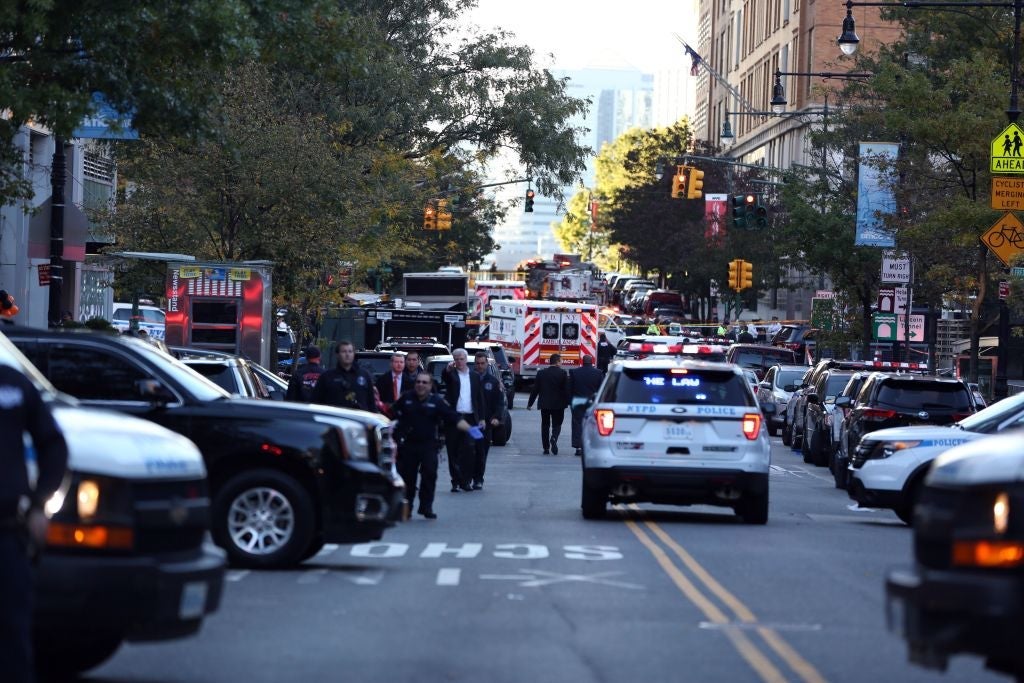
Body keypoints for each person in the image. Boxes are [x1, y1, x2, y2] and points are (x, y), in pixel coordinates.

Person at [1, 364, 68, 682]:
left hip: (6, 535)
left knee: (12, 639)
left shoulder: (11, 385)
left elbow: (53, 444)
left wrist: (40, 505)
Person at [391, 371, 481, 519]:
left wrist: (470, 429)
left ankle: (426, 507)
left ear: (430, 385)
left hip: (429, 446)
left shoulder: (437, 402)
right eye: (418, 382)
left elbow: (454, 418)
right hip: (408, 445)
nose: (420, 385)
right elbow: (391, 413)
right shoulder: (406, 398)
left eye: (424, 382)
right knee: (408, 479)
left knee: (429, 476)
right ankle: (406, 508)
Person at [442, 349, 486, 492]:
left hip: (470, 417)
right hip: (455, 417)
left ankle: (466, 481)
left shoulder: (474, 376)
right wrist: (447, 370)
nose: (459, 361)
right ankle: (455, 480)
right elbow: (445, 376)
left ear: (466, 359)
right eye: (456, 359)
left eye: (461, 359)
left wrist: (482, 418)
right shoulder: (452, 375)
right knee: (452, 450)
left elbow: (479, 399)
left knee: (469, 450)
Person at [312, 340, 378, 412]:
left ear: (354, 354)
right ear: (337, 354)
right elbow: (316, 403)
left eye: (350, 351)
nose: (347, 354)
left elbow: (371, 403)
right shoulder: (327, 377)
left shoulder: (364, 375)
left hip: (359, 420)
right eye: (344, 351)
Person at [471, 352, 505, 490]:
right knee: (468, 452)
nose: (480, 366)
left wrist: (496, 417)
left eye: (482, 363)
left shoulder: (493, 382)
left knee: (481, 453)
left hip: (486, 424)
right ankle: (467, 477)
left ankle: (478, 479)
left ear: (487, 364)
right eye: (478, 363)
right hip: (470, 422)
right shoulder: (469, 379)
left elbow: (499, 402)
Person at [527, 353, 569, 455]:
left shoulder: (541, 373)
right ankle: (554, 437)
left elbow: (535, 389)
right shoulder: (563, 373)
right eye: (561, 361)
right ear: (558, 361)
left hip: (544, 404)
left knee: (545, 425)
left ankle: (546, 448)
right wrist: (568, 402)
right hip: (559, 405)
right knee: (557, 424)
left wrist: (530, 403)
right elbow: (567, 390)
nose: (562, 362)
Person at [568, 355, 603, 457]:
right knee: (592, 424)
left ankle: (578, 447)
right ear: (592, 362)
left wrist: (570, 401)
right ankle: (591, 446)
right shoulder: (598, 373)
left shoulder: (574, 372)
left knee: (577, 424)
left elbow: (570, 388)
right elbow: (601, 389)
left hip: (577, 401)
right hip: (592, 402)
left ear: (582, 362)